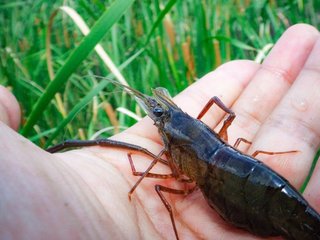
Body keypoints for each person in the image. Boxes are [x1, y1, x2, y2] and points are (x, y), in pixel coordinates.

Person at [1, 24, 319, 239]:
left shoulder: (169, 147)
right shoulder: (184, 122)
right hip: (245, 169)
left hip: (243, 185)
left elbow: (162, 179)